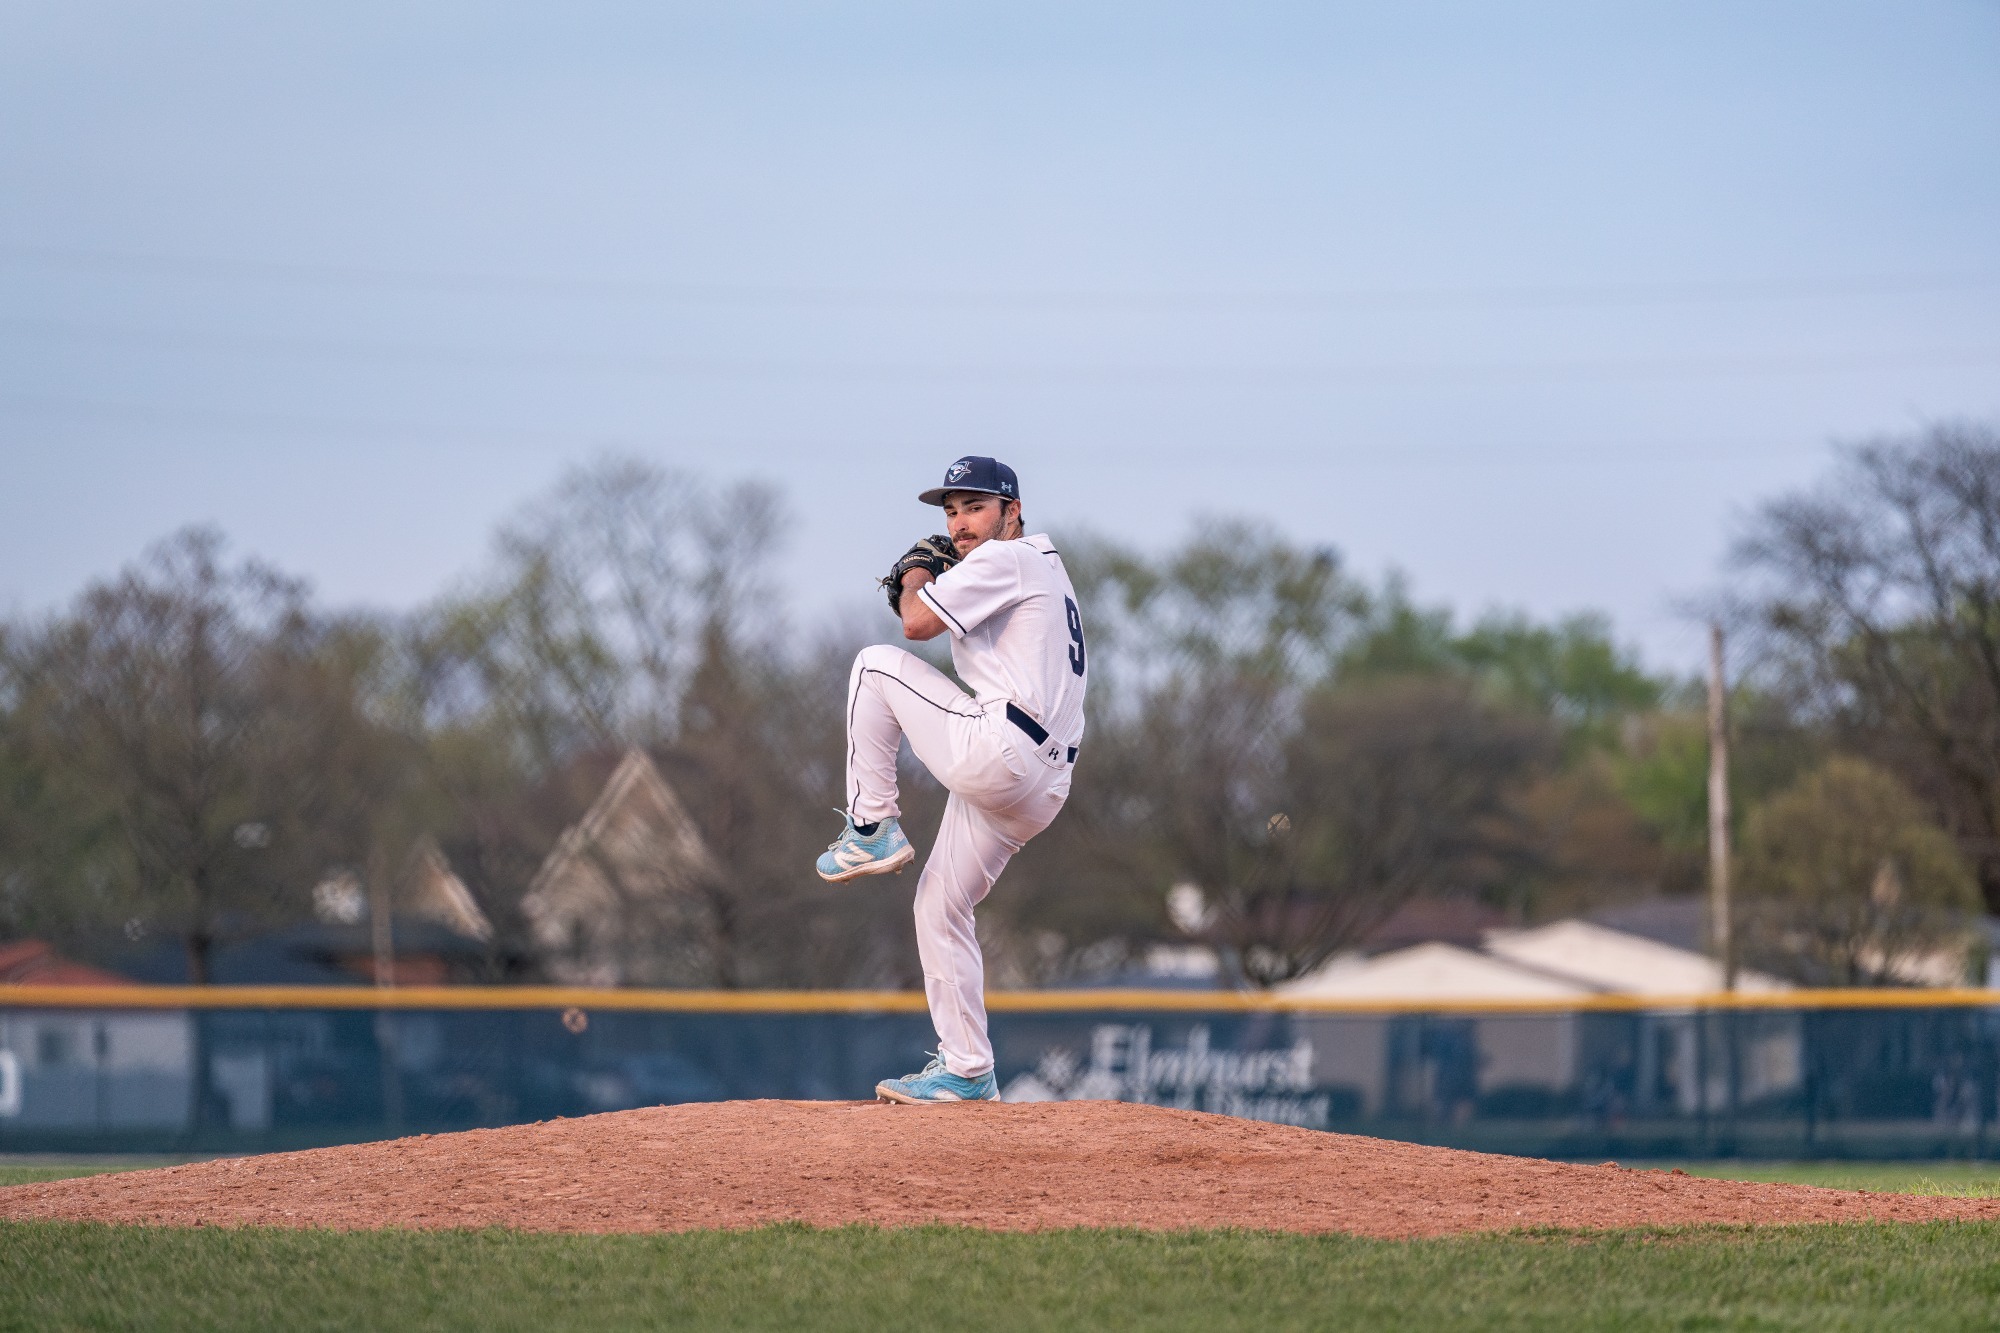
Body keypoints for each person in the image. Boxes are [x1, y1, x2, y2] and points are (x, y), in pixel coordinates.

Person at [816, 456, 1087, 1104]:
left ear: (1013, 511)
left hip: (1004, 751)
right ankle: (968, 1067)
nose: (961, 525)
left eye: (976, 507)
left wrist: (915, 573)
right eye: (952, 511)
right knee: (940, 903)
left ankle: (872, 824)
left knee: (876, 666)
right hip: (1044, 784)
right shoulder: (1045, 565)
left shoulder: (1005, 558)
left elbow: (914, 622)